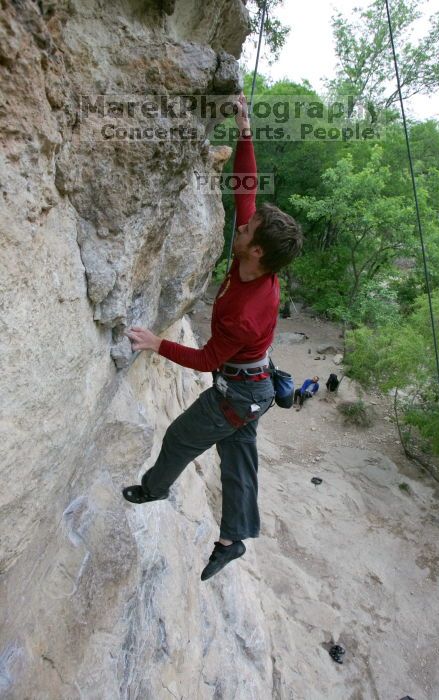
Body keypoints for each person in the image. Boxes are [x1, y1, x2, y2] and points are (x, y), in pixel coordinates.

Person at [122, 93, 303, 581]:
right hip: (255, 387)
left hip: (239, 392)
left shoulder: (247, 310)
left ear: (257, 252)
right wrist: (245, 129)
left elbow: (206, 360)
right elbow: (246, 186)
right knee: (238, 457)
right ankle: (232, 540)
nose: (242, 223)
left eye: (250, 228)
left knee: (182, 435)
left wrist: (156, 343)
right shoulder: (255, 260)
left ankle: (154, 488)